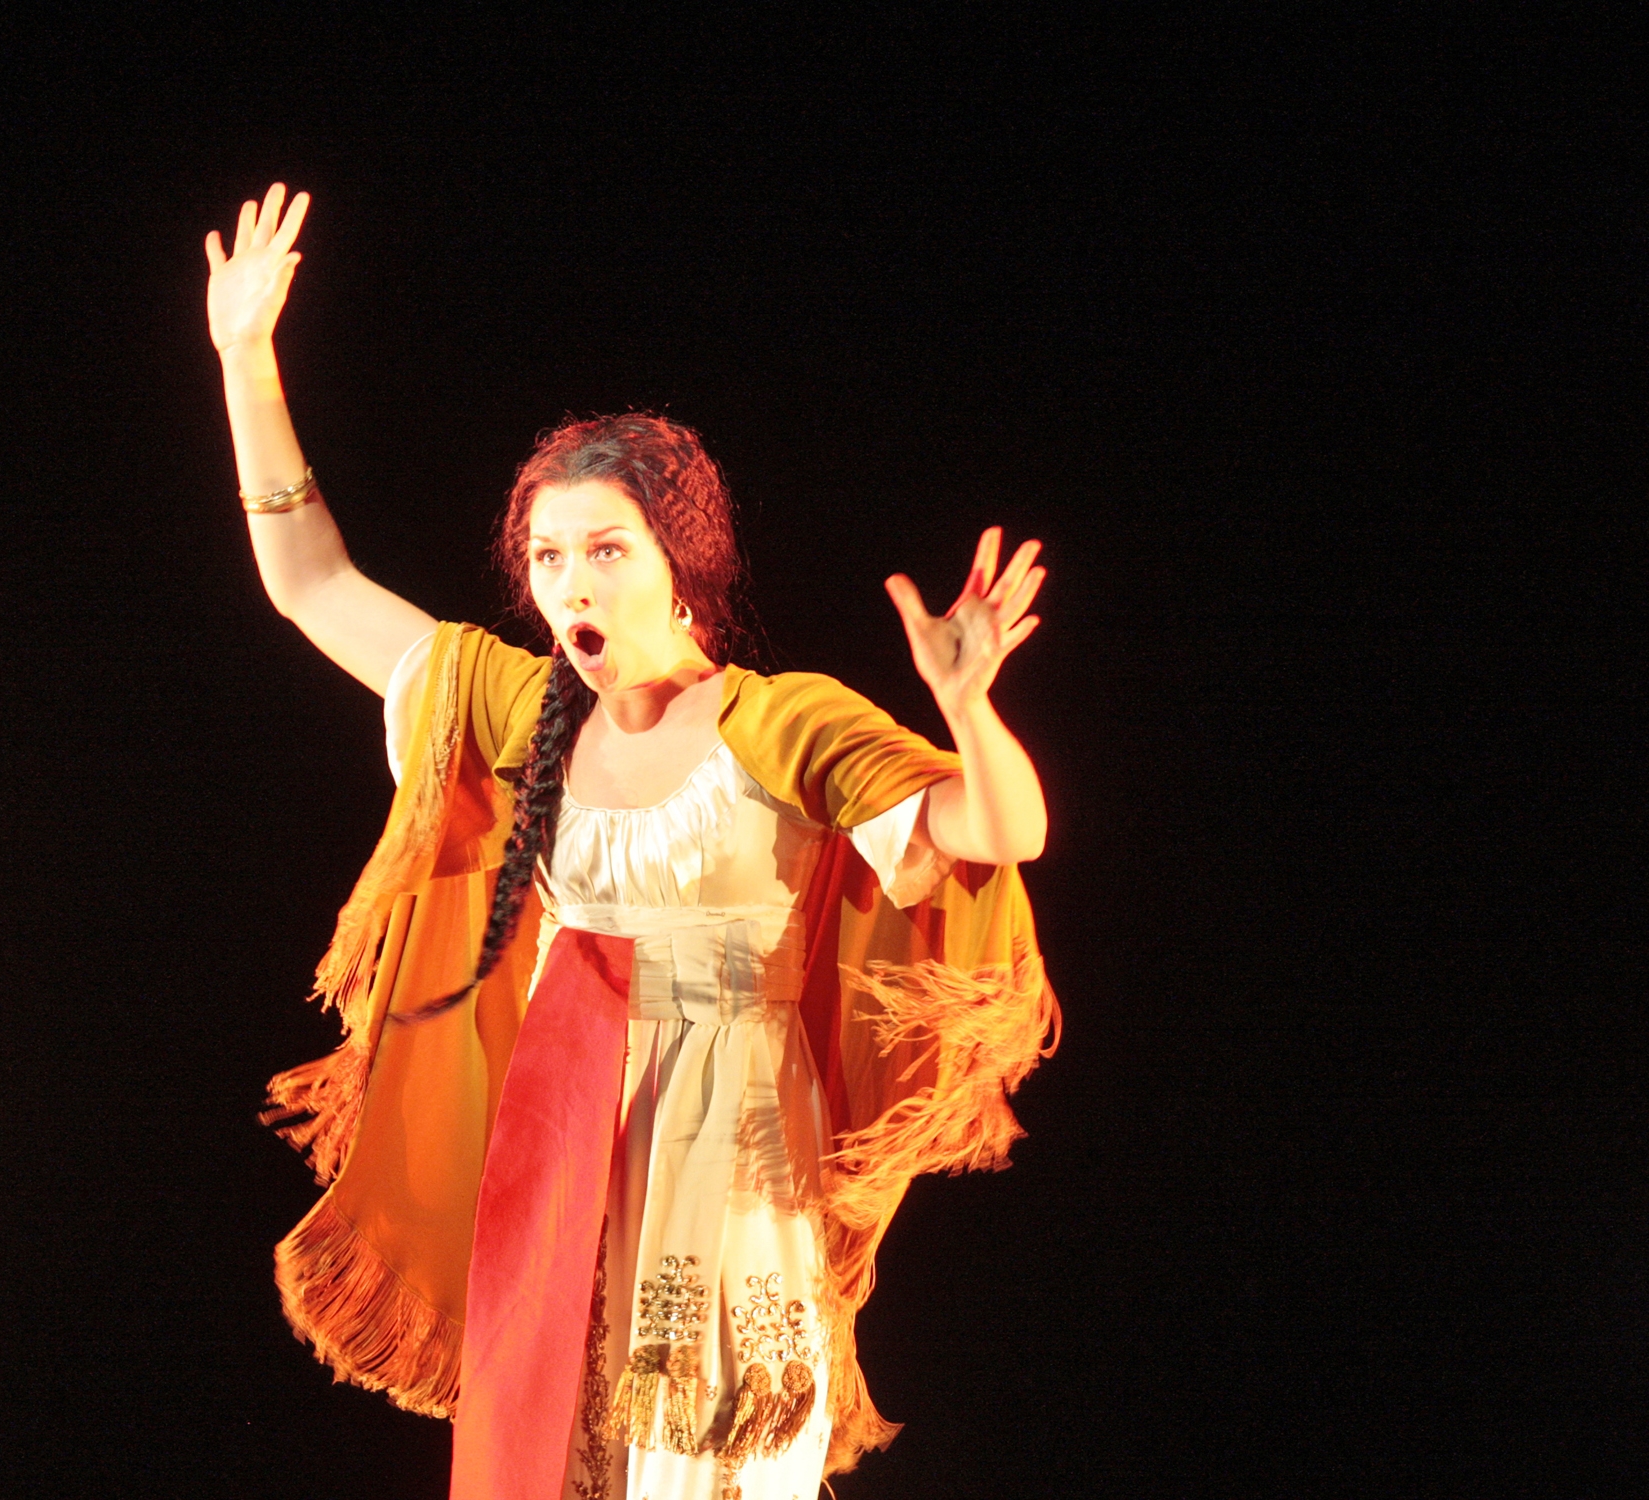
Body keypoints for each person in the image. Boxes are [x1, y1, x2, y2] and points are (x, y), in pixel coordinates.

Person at [208, 185, 1058, 1500]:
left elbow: (997, 831)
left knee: (716, 1458)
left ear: (680, 560)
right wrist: (245, 359)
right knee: (563, 1458)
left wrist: (965, 710)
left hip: (725, 1150)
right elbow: (310, 581)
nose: (572, 585)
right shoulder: (507, 705)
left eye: (604, 549)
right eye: (547, 557)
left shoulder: (780, 724)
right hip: (565, 1141)